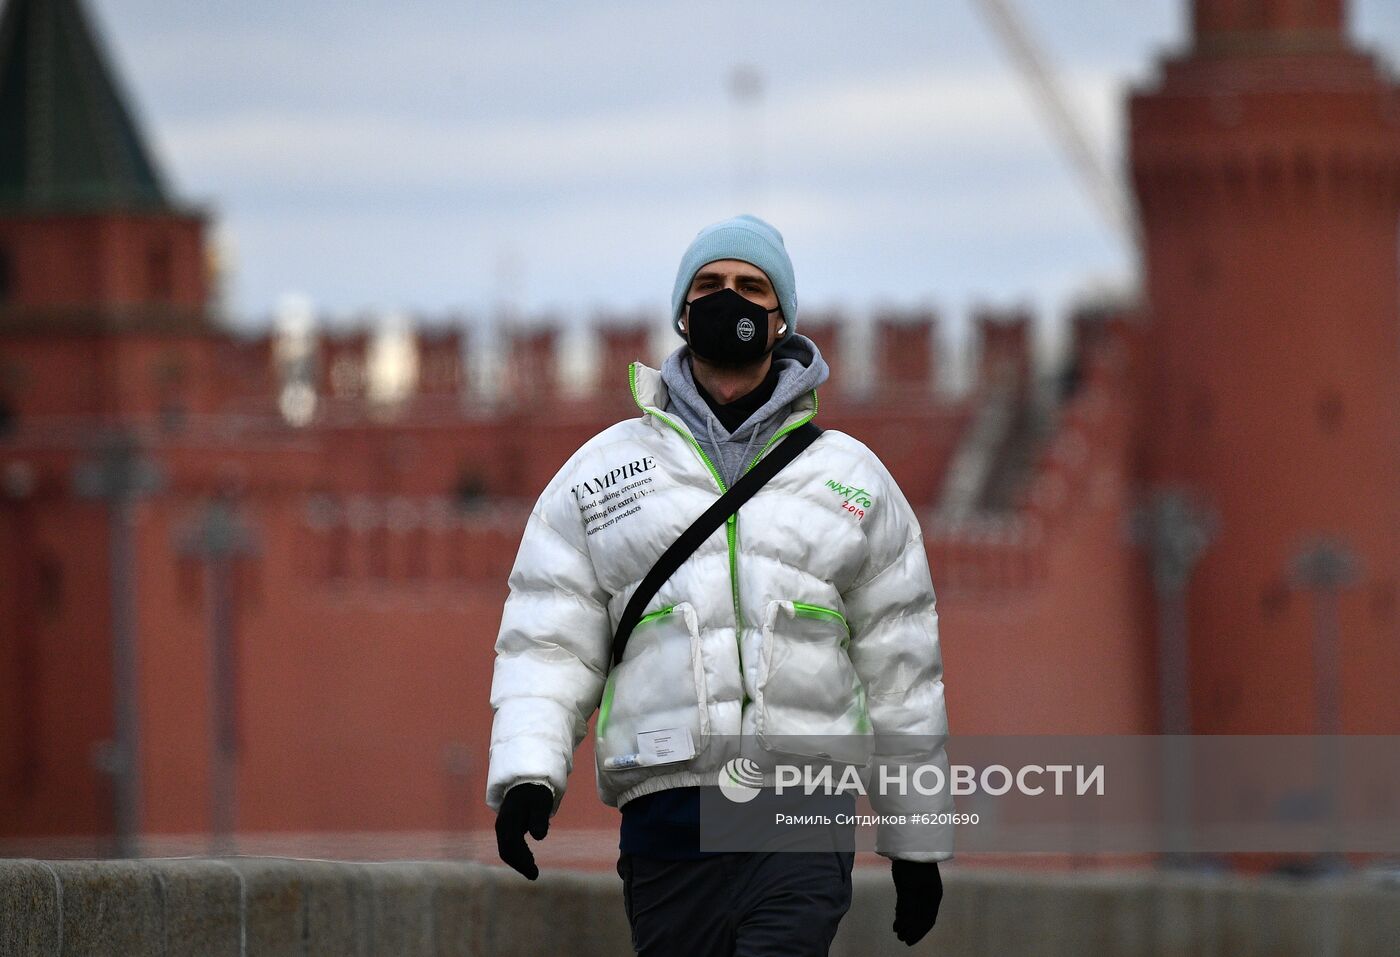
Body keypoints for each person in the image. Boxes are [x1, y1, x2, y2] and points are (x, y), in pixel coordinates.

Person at [486, 214, 951, 954]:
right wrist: (527, 774)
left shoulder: (850, 480)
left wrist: (916, 839)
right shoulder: (603, 476)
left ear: (781, 316)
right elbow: (549, 638)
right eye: (708, 285)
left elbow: (902, 669)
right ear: (681, 311)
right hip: (669, 825)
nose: (726, 298)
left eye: (749, 286)